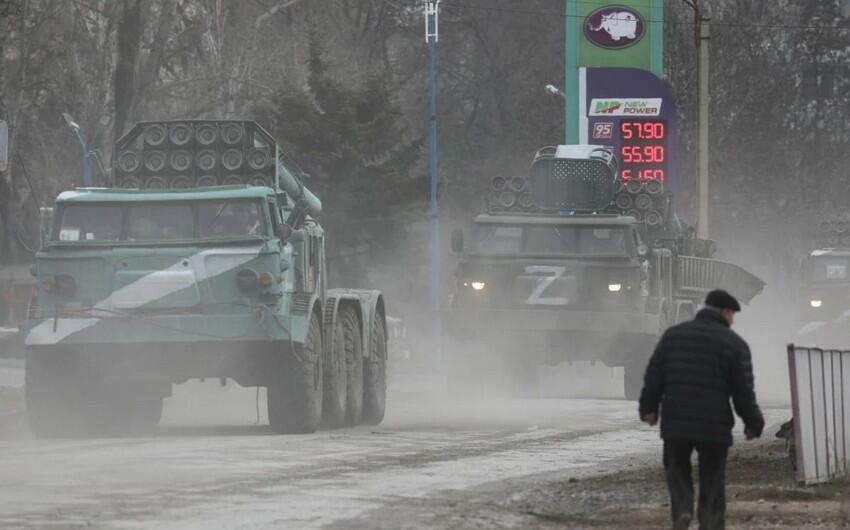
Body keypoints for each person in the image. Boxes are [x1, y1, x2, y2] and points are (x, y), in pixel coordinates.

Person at [639, 289, 765, 530]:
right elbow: (743, 392)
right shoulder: (735, 344)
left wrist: (649, 408)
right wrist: (753, 423)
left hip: (676, 423)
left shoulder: (673, 336)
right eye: (733, 315)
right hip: (714, 426)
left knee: (677, 471)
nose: (733, 321)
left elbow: (654, 376)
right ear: (726, 312)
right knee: (712, 478)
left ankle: (683, 511)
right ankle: (709, 522)